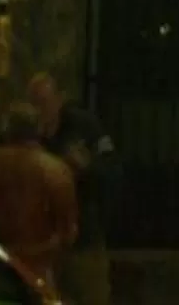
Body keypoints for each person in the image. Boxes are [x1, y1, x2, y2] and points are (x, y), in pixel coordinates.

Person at [25, 71, 115, 305]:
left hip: (82, 240)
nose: (39, 111)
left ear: (58, 99)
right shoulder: (24, 134)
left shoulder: (83, 127)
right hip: (41, 244)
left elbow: (111, 171)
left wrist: (85, 167)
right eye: (34, 104)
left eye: (43, 102)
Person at [0, 105, 76, 299]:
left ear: (7, 129)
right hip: (37, 271)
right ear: (38, 131)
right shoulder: (56, 170)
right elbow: (67, 233)